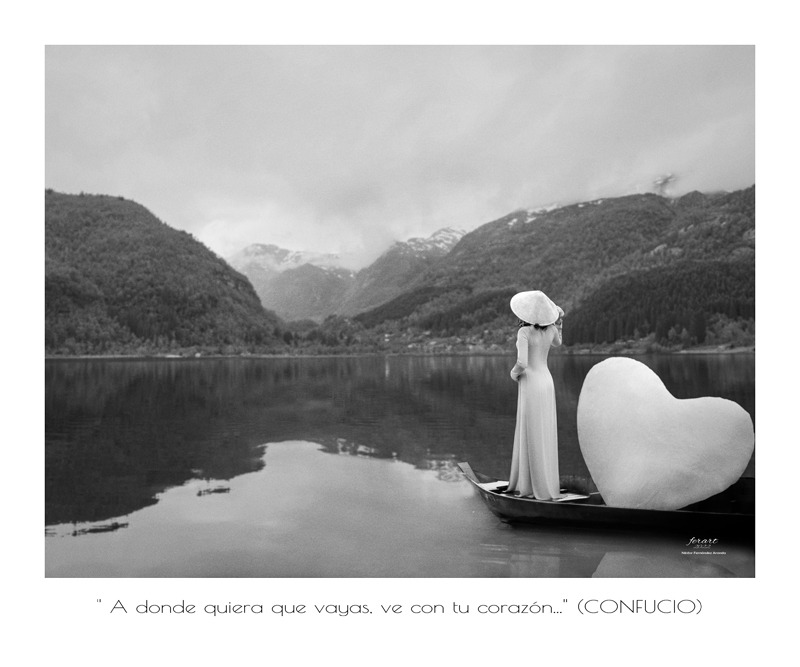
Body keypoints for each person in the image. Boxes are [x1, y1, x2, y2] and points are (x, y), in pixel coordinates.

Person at [506, 290, 564, 499]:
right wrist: (559, 321)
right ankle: (545, 484)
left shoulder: (524, 332)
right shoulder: (550, 331)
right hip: (547, 381)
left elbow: (522, 363)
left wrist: (513, 374)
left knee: (530, 430)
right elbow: (558, 343)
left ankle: (528, 486)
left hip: (530, 381)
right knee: (544, 429)